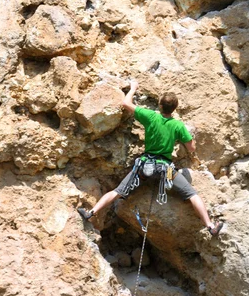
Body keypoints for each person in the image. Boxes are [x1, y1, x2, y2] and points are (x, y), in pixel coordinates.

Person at [78, 81, 223, 236]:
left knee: (118, 191)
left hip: (145, 167)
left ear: (160, 105)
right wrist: (184, 137)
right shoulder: (178, 126)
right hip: (165, 170)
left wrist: (133, 88)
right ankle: (209, 226)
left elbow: (126, 103)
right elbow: (191, 148)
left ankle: (91, 213)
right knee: (192, 194)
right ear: (174, 108)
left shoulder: (150, 116)